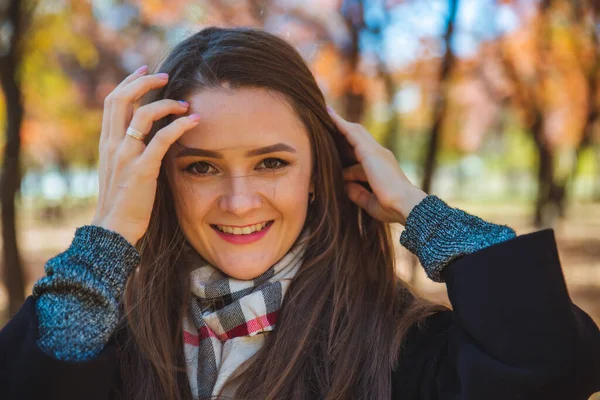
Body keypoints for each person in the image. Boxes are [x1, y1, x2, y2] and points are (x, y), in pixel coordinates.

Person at [0, 27, 599, 400]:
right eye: (201, 167)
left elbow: (556, 365)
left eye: (271, 163)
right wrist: (106, 237)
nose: (238, 202)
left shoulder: (402, 346)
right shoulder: (101, 342)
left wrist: (423, 213)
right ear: (159, 180)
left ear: (318, 173)